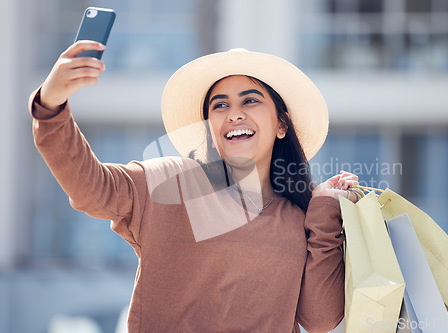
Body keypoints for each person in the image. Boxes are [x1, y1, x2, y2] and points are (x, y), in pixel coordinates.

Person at [30, 41, 359, 332]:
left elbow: (319, 320)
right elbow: (91, 188)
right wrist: (51, 106)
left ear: (282, 124)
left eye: (250, 101)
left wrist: (326, 210)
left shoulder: (297, 217)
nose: (233, 114)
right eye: (220, 105)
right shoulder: (172, 182)